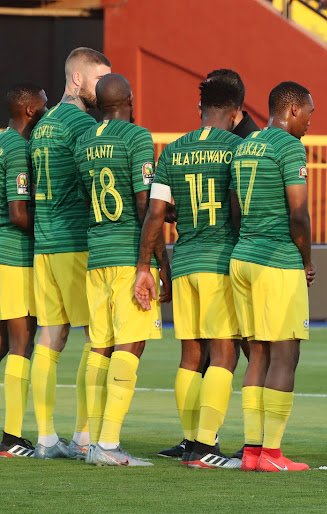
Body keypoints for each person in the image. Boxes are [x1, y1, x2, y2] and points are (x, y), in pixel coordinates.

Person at [135, 75, 245, 469]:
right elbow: (237, 209)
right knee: (224, 354)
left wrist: (146, 266)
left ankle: (188, 441)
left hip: (183, 263)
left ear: (201, 111)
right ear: (235, 114)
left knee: (190, 355)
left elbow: (155, 214)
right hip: (220, 261)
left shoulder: (173, 151)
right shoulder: (238, 148)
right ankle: (206, 448)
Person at [73, 73, 167, 466]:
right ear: (130, 98)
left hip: (97, 255)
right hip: (130, 255)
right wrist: (159, 262)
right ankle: (108, 444)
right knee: (131, 345)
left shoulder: (82, 142)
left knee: (100, 347)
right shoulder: (137, 137)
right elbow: (147, 205)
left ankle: (91, 440)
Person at [229, 81, 316, 473]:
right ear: (293, 108)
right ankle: (273, 454)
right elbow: (298, 214)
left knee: (257, 354)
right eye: (309, 114)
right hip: (276, 259)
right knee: (286, 352)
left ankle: (250, 451)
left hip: (242, 257)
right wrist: (307, 260)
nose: (309, 124)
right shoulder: (289, 147)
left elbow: (234, 208)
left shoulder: (245, 145)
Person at [30, 47, 111, 460]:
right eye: (99, 80)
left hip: (43, 245)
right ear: (77, 80)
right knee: (96, 337)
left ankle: (45, 438)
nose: (106, 89)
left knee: (50, 337)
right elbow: (94, 178)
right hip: (74, 243)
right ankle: (83, 435)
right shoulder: (81, 124)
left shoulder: (42, 125)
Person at [0, 84, 48, 458]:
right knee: (21, 343)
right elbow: (18, 214)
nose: (47, 113)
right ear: (31, 111)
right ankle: (13, 438)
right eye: (44, 108)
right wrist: (47, 225)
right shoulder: (16, 148)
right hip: (12, 256)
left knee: (2, 344)